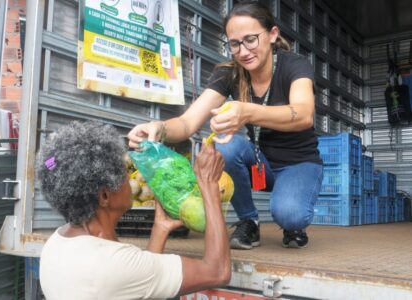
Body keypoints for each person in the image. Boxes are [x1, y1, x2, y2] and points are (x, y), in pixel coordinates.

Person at [128, 1, 323, 250]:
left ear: (272, 35)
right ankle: (248, 221)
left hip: (299, 163)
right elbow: (188, 123)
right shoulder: (229, 73)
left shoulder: (294, 65)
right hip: (261, 161)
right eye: (234, 43)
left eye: (251, 39)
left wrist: (246, 112)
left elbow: (304, 114)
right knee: (226, 144)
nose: (243, 51)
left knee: (289, 214)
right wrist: (159, 128)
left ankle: (292, 223)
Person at [37, 120, 230, 299]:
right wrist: (209, 183)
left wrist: (159, 228)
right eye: (123, 174)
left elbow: (139, 287)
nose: (129, 180)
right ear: (105, 196)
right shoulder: (113, 264)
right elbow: (218, 272)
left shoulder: (55, 244)